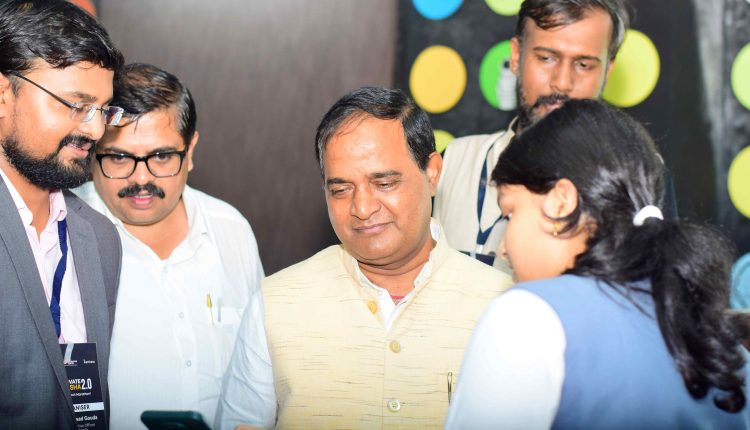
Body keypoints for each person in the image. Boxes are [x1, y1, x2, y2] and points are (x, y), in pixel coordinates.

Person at [216, 87, 512, 429]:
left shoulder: (502, 305)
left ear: (432, 173)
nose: (362, 208)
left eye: (384, 183)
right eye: (341, 190)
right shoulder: (275, 304)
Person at [444, 99, 749, 429]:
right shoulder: (719, 340)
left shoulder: (527, 318)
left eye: (510, 214)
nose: (503, 248)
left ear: (560, 203)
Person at [73, 63, 264, 428]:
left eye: (161, 156)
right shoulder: (62, 235)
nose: (141, 178)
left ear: (190, 151)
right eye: (119, 157)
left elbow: (259, 365)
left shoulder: (231, 230)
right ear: (93, 151)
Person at [433, 0, 629, 271]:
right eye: (546, 58)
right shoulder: (454, 161)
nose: (562, 82)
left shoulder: (632, 177)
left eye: (584, 65)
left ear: (607, 72)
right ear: (516, 56)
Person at [0, 1, 124, 428]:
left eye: (103, 109)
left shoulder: (100, 238)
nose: (95, 129)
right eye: (75, 104)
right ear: (3, 95)